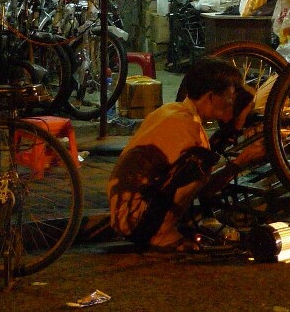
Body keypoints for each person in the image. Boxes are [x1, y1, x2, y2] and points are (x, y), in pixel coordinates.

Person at [108, 56, 265, 252]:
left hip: (125, 214)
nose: (230, 101)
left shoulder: (171, 110)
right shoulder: (190, 129)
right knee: (199, 162)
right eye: (229, 96)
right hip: (136, 220)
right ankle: (162, 234)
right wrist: (242, 161)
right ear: (211, 97)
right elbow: (207, 190)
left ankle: (161, 227)